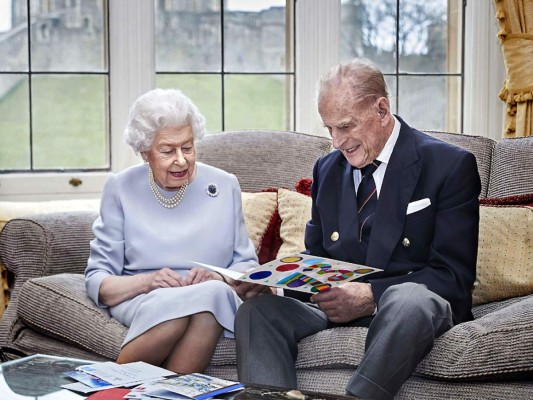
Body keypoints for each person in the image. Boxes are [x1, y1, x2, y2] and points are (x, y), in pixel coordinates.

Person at [234, 58, 481, 399]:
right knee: (257, 312)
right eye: (329, 129)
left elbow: (454, 277)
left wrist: (371, 297)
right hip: (336, 308)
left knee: (409, 299)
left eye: (346, 127)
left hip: (405, 311)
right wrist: (273, 286)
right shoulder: (328, 169)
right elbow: (318, 258)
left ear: (382, 109)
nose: (337, 141)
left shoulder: (449, 165)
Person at [85, 88, 261, 374]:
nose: (181, 160)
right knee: (186, 311)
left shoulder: (225, 184)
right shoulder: (121, 187)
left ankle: (107, 387)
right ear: (144, 152)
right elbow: (99, 281)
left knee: (209, 300)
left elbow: (246, 264)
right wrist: (149, 281)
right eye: (167, 151)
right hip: (143, 296)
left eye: (188, 147)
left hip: (211, 294)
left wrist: (218, 276)